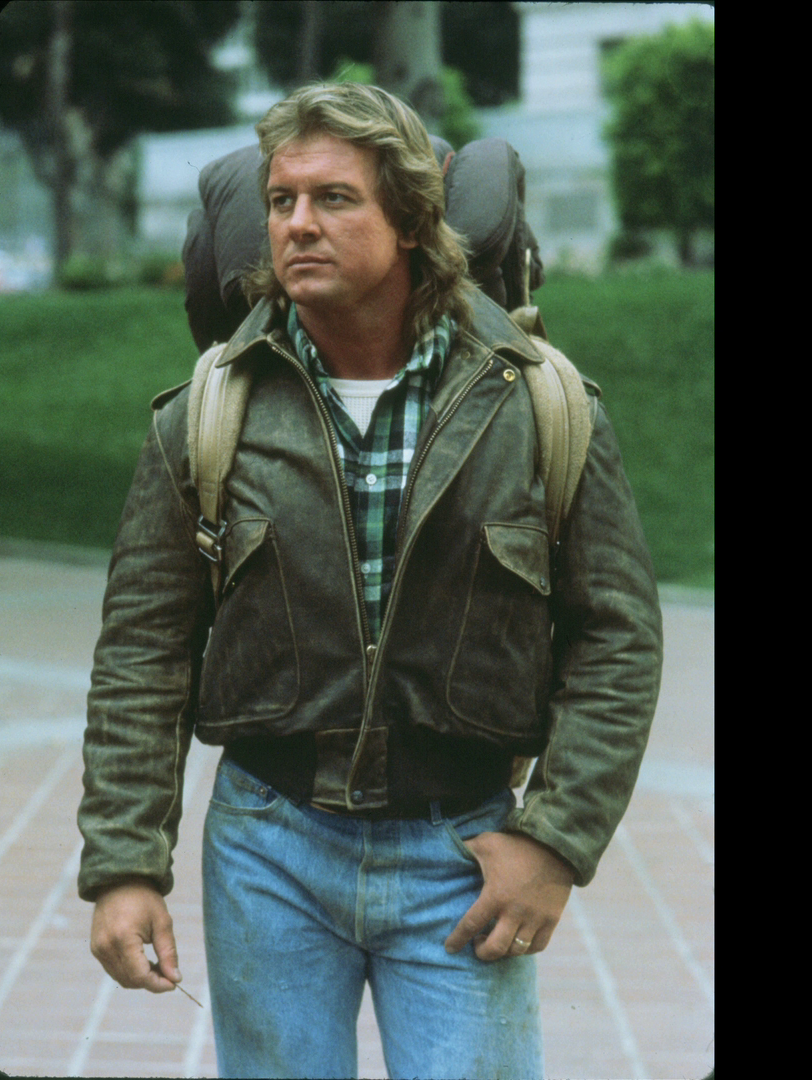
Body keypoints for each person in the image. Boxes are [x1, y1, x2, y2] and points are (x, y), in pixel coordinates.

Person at [77, 82, 663, 1079]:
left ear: (412, 220)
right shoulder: (207, 413)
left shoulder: (540, 404)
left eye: (334, 198)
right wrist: (125, 865)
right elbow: (145, 649)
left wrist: (556, 841)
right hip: (267, 850)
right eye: (282, 200)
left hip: (464, 856)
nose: (297, 223)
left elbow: (617, 637)